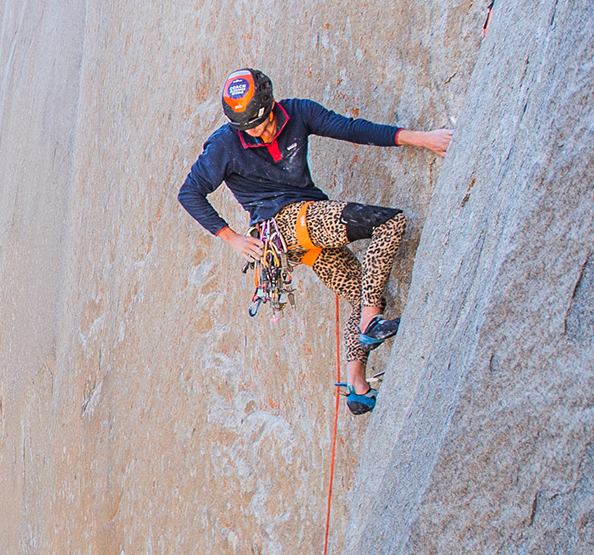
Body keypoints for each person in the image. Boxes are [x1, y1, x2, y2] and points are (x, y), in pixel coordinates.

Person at [178, 68, 452, 412]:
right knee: (390, 222)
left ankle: (357, 385)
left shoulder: (298, 113)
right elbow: (190, 193)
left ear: (271, 104)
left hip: (307, 227)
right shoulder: (225, 144)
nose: (259, 134)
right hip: (283, 227)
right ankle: (370, 322)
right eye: (248, 129)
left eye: (261, 125)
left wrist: (421, 138)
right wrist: (231, 237)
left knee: (361, 294)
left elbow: (353, 129)